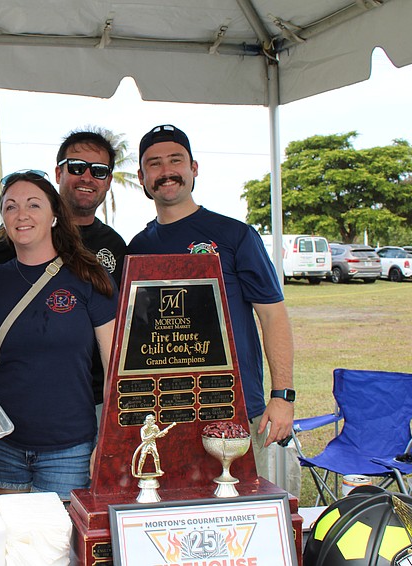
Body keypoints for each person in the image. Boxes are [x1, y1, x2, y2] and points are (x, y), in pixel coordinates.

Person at [126, 124, 296, 483]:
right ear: (142, 177)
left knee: (244, 513)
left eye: (176, 160)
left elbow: (273, 316)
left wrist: (282, 396)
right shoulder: (138, 248)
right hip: (166, 412)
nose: (166, 171)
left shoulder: (235, 235)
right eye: (154, 164)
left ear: (194, 169)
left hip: (234, 406)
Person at [0, 170, 117, 501]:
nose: (22, 215)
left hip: (69, 449)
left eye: (33, 205)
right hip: (4, 443)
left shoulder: (88, 278)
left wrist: (110, 440)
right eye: (11, 207)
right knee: (12, 546)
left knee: (59, 549)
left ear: (55, 213)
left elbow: (116, 368)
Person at [0, 129, 127, 420]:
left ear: (108, 181)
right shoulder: (7, 245)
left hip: (98, 402)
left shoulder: (115, 245)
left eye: (98, 171)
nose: (87, 177)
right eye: (76, 167)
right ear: (58, 173)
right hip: (21, 405)